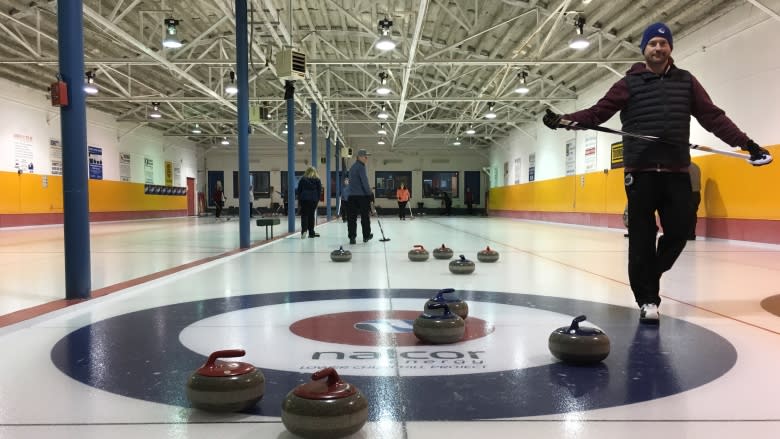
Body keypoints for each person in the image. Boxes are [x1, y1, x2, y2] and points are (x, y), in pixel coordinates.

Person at [542, 22, 770, 324]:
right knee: (641, 237)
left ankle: (650, 271)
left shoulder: (686, 82)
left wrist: (747, 144)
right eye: (653, 44)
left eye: (664, 43)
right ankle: (648, 299)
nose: (659, 48)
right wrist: (565, 120)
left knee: (679, 231)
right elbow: (599, 112)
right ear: (644, 49)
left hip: (677, 170)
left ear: (670, 49)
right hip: (641, 172)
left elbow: (713, 118)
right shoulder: (629, 83)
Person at [346, 149, 373, 244]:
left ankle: (352, 237)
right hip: (362, 196)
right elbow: (364, 181)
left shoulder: (352, 167)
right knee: (365, 217)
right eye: (365, 157)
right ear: (360, 157)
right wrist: (369, 193)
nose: (367, 159)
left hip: (351, 196)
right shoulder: (361, 167)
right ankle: (366, 236)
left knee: (351, 218)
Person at [295, 167, 323, 238]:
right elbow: (319, 191)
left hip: (304, 199)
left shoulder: (303, 179)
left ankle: (304, 231)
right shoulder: (317, 180)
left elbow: (299, 190)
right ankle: (311, 232)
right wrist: (317, 200)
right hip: (313, 199)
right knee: (311, 215)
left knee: (304, 215)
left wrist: (299, 199)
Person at [688, 162, 701, 240]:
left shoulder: (682, 167)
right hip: (696, 193)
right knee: (692, 215)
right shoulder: (696, 166)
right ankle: (691, 234)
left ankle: (685, 234)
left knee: (683, 215)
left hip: (687, 193)